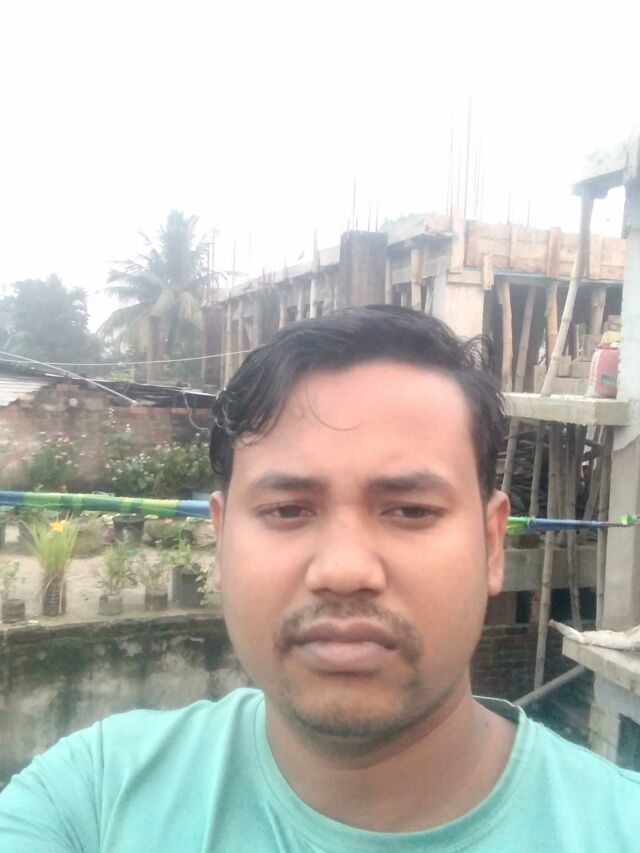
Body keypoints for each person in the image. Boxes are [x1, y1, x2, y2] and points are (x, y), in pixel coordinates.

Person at [1, 305, 639, 851]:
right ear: (221, 543)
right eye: (287, 510)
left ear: (491, 544)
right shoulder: (95, 800)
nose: (343, 570)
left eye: (410, 511)